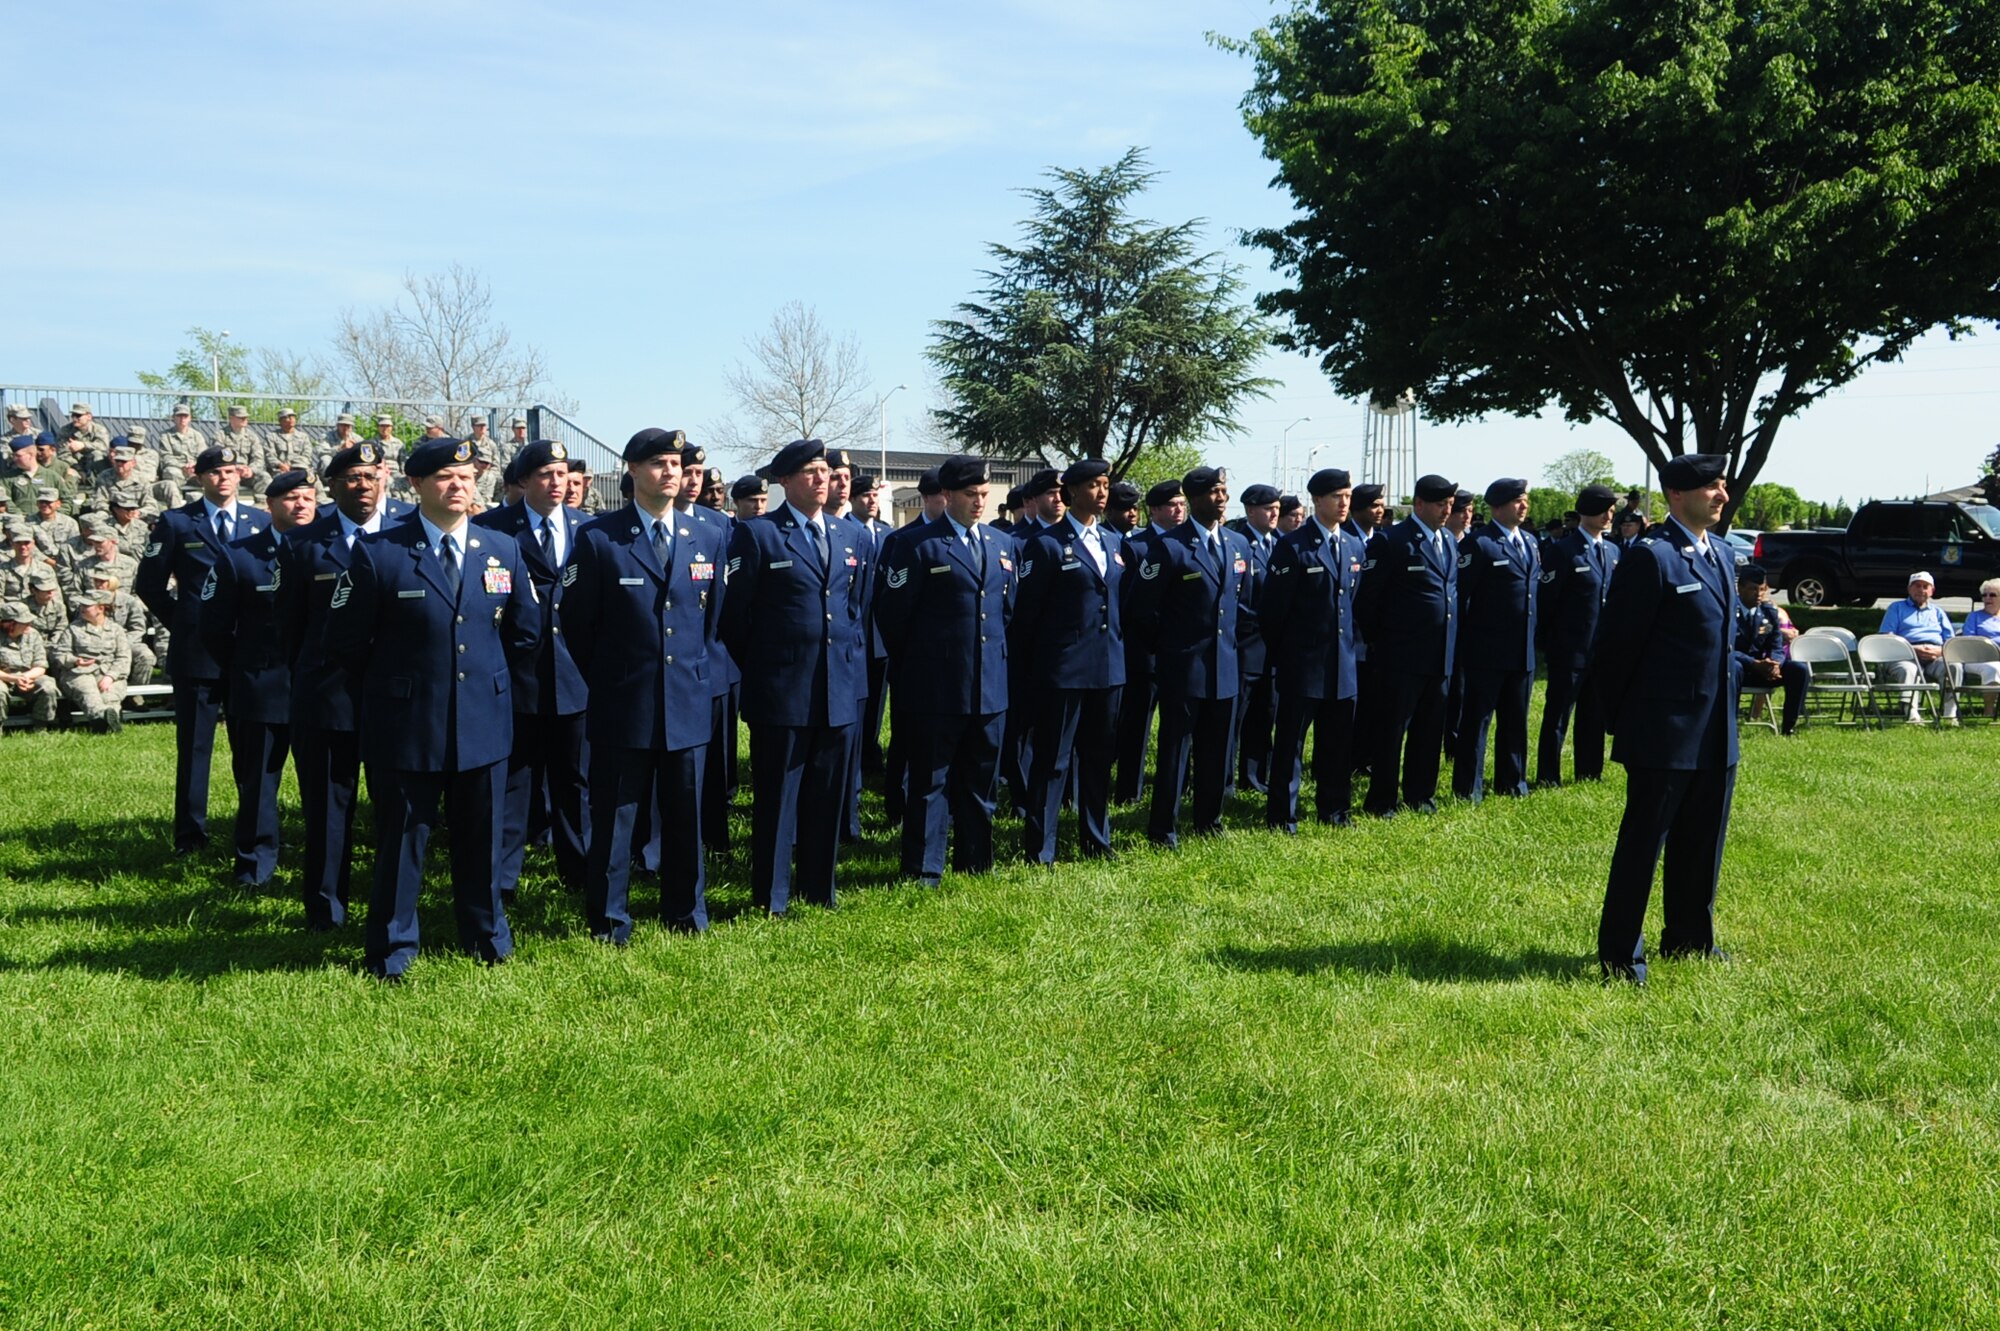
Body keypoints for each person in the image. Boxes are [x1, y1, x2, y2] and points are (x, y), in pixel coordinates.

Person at [326, 437, 543, 980]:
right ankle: (393, 948)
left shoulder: (502, 550)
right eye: (445, 477)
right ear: (416, 485)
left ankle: (487, 937)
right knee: (403, 841)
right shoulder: (380, 553)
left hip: (483, 722)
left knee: (483, 839)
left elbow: (526, 633)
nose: (457, 486)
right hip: (407, 726)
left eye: (466, 478)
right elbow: (346, 643)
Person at [563, 429, 726, 940]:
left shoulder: (710, 536)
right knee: (615, 817)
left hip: (687, 698)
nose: (671, 471)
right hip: (624, 700)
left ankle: (686, 913)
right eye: (658, 462)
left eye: (675, 462)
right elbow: (577, 624)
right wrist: (617, 677)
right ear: (631, 471)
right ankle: (610, 920)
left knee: (686, 815)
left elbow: (713, 619)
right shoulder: (598, 538)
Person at [1593, 453, 1740, 985]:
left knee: (1704, 841)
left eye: (1722, 486)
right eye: (1711, 488)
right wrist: (1623, 723)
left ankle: (1689, 939)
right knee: (1643, 846)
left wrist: (1753, 668)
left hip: (1716, 729)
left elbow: (1715, 645)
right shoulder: (1652, 558)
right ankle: (1620, 955)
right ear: (1677, 494)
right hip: (1663, 732)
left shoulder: (1721, 554)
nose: (1722, 495)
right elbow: (1616, 650)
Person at [722, 438, 869, 910]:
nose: (821, 478)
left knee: (827, 795)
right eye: (809, 471)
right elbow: (733, 617)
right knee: (778, 798)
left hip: (837, 688)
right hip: (781, 691)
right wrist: (768, 667)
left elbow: (853, 608)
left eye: (824, 470)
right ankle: (772, 896)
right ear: (784, 481)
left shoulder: (851, 536)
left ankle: (819, 889)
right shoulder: (760, 535)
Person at [276, 441, 413, 931]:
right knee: (329, 809)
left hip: (397, 699)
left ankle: (392, 907)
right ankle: (327, 909)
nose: (364, 485)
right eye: (353, 477)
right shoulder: (303, 544)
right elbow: (288, 628)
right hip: (327, 698)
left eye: (373, 475)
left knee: (397, 810)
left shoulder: (408, 535)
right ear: (331, 486)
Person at [875, 454, 1017, 881]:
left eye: (985, 495)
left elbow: (1007, 610)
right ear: (948, 495)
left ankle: (975, 862)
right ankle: (924, 870)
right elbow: (893, 616)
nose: (979, 502)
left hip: (989, 685)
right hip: (936, 687)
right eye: (971, 495)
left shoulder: (1001, 544)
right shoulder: (916, 544)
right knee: (930, 784)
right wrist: (923, 664)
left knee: (980, 782)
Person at [136, 445, 271, 857]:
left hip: (249, 652)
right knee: (195, 748)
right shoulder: (177, 522)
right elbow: (150, 584)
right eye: (215, 472)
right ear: (199, 476)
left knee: (251, 749)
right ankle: (190, 835)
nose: (224, 478)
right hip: (197, 653)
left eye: (230, 471)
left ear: (241, 474)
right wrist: (184, 621)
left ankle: (251, 832)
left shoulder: (261, 522)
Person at [474, 439, 591, 897]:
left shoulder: (589, 530)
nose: (556, 482)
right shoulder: (493, 529)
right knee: (513, 786)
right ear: (523, 482)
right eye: (545, 474)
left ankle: (580, 874)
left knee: (575, 784)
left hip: (575, 678)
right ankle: (501, 883)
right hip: (516, 679)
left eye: (562, 473)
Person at [1126, 465, 1252, 847]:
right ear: (1195, 498)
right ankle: (1164, 828)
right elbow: (1140, 611)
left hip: (1224, 666)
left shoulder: (1237, 544)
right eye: (1214, 491)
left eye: (1224, 490)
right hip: (1183, 667)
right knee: (1175, 752)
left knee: (1217, 752)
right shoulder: (1169, 547)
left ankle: (1209, 822)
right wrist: (1169, 650)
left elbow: (1241, 606)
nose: (1222, 497)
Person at [201, 470, 316, 884]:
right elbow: (213, 626)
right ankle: (255, 865)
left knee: (320, 785)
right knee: (259, 783)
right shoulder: (240, 555)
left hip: (318, 689)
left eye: (308, 497)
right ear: (269, 505)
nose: (301, 504)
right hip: (261, 687)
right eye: (290, 498)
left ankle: (319, 863)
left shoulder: (331, 550)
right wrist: (246, 668)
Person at [1012, 458, 1127, 863]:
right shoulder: (1045, 545)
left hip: (1107, 668)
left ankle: (1096, 839)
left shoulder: (1114, 542)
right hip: (1062, 671)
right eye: (1094, 485)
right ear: (1072, 491)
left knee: (1098, 759)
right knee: (1054, 761)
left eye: (1106, 484)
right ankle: (1041, 847)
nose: (1102, 492)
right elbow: (1027, 615)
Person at [1261, 468, 1364, 831]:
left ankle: (1335, 810)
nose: (1344, 503)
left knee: (1338, 744)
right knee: (1290, 745)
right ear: (1317, 500)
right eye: (1337, 496)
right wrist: (1288, 656)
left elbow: (1353, 602)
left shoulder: (1353, 545)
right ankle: (1282, 816)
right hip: (1303, 663)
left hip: (1342, 663)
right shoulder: (1293, 546)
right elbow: (1273, 612)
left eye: (1348, 497)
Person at [1354, 473, 1459, 817]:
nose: (1447, 510)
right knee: (1391, 731)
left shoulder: (1449, 540)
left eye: (1449, 504)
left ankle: (1420, 795)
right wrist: (1383, 642)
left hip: (1439, 654)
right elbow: (1367, 601)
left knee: (1429, 731)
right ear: (1419, 504)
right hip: (1400, 657)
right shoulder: (1392, 541)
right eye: (1440, 504)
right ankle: (1382, 800)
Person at [1451, 477, 1539, 802]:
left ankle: (1512, 783)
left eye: (1525, 499)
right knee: (1477, 722)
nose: (1523, 505)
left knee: (1516, 722)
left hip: (1522, 651)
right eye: (1517, 500)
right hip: (1486, 651)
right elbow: (1461, 598)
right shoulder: (1480, 543)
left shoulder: (1530, 541)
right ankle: (1468, 789)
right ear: (1497, 506)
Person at [1535, 483, 1621, 784]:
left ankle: (1589, 771)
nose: (1610, 515)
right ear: (1588, 511)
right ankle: (1548, 775)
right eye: (1604, 509)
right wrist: (1550, 645)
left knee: (1593, 717)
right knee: (1558, 716)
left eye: (1612, 510)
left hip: (1600, 652)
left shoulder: (1613, 551)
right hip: (1569, 649)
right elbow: (1547, 603)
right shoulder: (1563, 551)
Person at [1112, 479, 1185, 804]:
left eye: (1182, 504)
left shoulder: (1188, 543)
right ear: (1154, 510)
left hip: (1182, 653)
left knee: (1181, 724)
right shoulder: (1137, 546)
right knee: (1138, 725)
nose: (1179, 510)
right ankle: (1130, 790)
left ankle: (1182, 785)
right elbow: (1133, 604)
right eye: (1172, 505)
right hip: (1147, 651)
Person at [1225, 482, 1281, 796]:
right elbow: (1236, 597)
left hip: (1272, 649)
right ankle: (1226, 780)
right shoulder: (1239, 544)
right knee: (1236, 719)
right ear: (1249, 510)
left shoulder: (1280, 544)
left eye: (1276, 508)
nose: (1274, 513)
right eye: (1267, 508)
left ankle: (1256, 775)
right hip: (1246, 644)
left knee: (1265, 715)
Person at [1876, 571, 1960, 723]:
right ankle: (1911, 711)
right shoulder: (1896, 608)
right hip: (1903, 654)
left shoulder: (1938, 612)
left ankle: (1950, 712)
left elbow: (1951, 641)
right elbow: (1887, 638)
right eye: (1916, 586)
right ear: (1909, 589)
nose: (1921, 590)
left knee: (1954, 667)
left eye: (1925, 586)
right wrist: (1912, 649)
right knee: (1909, 669)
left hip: (1935, 655)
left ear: (1932, 591)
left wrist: (1940, 651)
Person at [1734, 563, 1807, 735]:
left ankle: (1789, 728)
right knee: (1734, 668)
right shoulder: (1728, 612)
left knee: (1799, 670)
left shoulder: (1768, 613)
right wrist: (1753, 663)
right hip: (1738, 668)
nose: (1758, 595)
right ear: (1740, 588)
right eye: (1753, 589)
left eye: (1762, 589)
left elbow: (1777, 647)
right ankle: (1731, 726)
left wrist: (1775, 663)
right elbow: (1726, 649)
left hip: (1762, 669)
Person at [0, 601, 60, 730]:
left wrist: (24, 677)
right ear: (10, 624)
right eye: (24, 622)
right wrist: (13, 679)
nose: (29, 624)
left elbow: (40, 665)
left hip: (28, 676)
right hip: (3, 678)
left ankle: (41, 726)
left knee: (47, 686)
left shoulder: (33, 634)